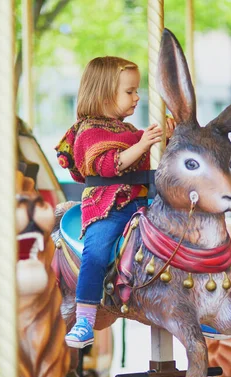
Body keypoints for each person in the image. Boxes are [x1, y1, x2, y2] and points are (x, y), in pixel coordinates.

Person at [55, 56, 174, 348]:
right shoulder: (87, 131)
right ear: (105, 92)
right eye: (130, 91)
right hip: (108, 208)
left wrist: (165, 138)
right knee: (95, 254)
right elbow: (110, 166)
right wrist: (144, 143)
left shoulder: (127, 132)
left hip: (143, 206)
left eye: (136, 91)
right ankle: (84, 318)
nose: (137, 97)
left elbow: (149, 157)